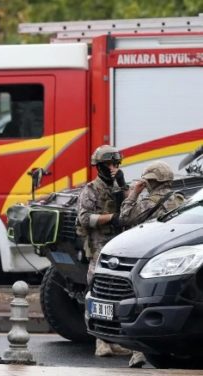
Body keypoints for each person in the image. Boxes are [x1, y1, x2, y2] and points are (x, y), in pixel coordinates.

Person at [118, 160, 184, 368]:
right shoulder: (181, 200)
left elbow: (124, 217)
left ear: (151, 182)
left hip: (146, 257)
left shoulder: (146, 203)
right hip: (171, 260)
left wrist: (132, 194)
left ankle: (139, 352)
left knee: (139, 304)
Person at [76, 145, 131, 358]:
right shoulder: (90, 190)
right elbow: (84, 218)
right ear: (99, 167)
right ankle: (101, 341)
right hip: (100, 249)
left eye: (115, 164)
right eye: (108, 164)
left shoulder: (121, 187)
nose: (112, 167)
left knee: (118, 296)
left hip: (122, 249)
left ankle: (115, 340)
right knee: (97, 293)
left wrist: (123, 185)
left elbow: (132, 209)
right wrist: (111, 218)